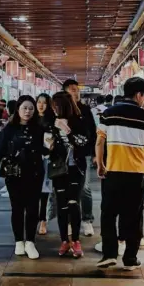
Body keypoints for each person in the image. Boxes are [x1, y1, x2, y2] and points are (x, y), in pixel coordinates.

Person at [95, 77, 144, 271]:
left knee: (108, 213)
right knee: (133, 216)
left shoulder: (108, 114)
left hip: (113, 171)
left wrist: (100, 164)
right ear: (138, 95)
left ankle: (109, 254)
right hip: (137, 174)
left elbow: (99, 142)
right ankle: (130, 258)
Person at [0, 96, 46, 259]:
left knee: (33, 208)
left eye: (31, 108)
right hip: (14, 174)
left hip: (35, 173)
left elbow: (46, 150)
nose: (28, 111)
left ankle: (31, 242)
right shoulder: (9, 129)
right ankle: (19, 240)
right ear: (18, 109)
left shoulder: (40, 129)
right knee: (17, 208)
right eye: (24, 108)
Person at [49, 92, 89, 258]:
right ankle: (65, 240)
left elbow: (84, 142)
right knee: (61, 205)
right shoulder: (51, 124)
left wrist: (66, 130)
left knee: (74, 203)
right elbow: (46, 148)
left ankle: (77, 240)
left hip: (76, 168)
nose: (53, 108)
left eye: (55, 105)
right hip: (59, 170)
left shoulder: (78, 122)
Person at [62, 79, 95, 237]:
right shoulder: (61, 110)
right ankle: (70, 221)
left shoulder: (85, 110)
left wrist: (95, 154)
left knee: (85, 188)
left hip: (83, 155)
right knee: (67, 189)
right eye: (72, 90)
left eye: (77, 89)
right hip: (65, 156)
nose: (76, 92)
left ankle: (87, 220)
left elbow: (93, 132)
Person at [36, 93, 55, 235]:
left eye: (44, 102)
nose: (41, 105)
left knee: (44, 190)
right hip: (33, 158)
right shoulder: (30, 119)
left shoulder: (53, 120)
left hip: (47, 158)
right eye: (39, 102)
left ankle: (43, 220)